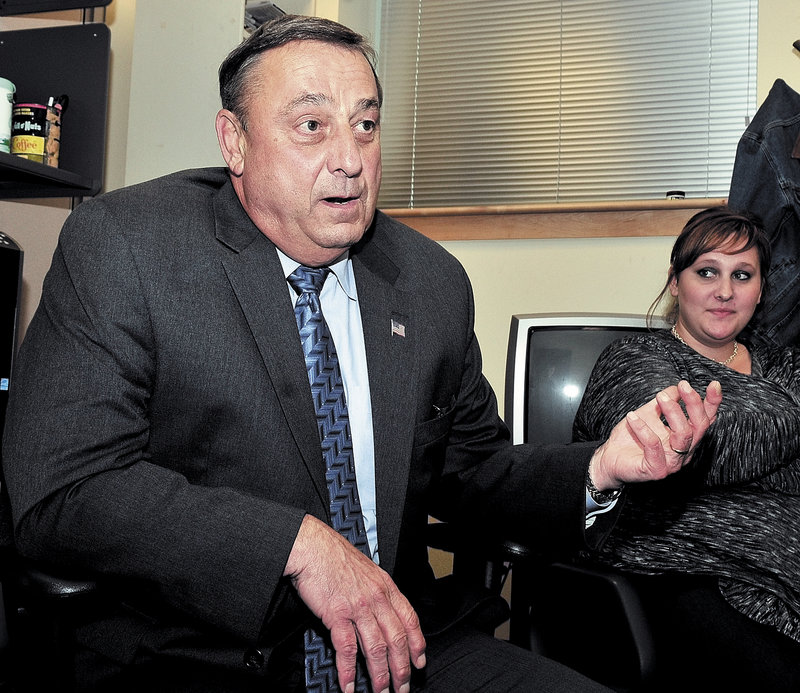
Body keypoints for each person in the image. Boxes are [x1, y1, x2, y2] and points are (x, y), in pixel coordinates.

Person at [1, 15, 720, 693]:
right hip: (204, 653)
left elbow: (472, 472)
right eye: (311, 126)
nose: (349, 159)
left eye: (366, 124)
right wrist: (295, 544)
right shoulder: (127, 247)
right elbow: (65, 487)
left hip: (405, 642)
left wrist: (601, 465)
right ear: (236, 141)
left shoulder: (430, 281)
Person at [573, 205, 800, 691]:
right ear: (675, 282)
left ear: (761, 292)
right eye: (707, 272)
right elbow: (676, 444)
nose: (725, 291)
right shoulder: (635, 359)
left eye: (743, 275)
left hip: (785, 575)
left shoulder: (786, 368)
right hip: (678, 574)